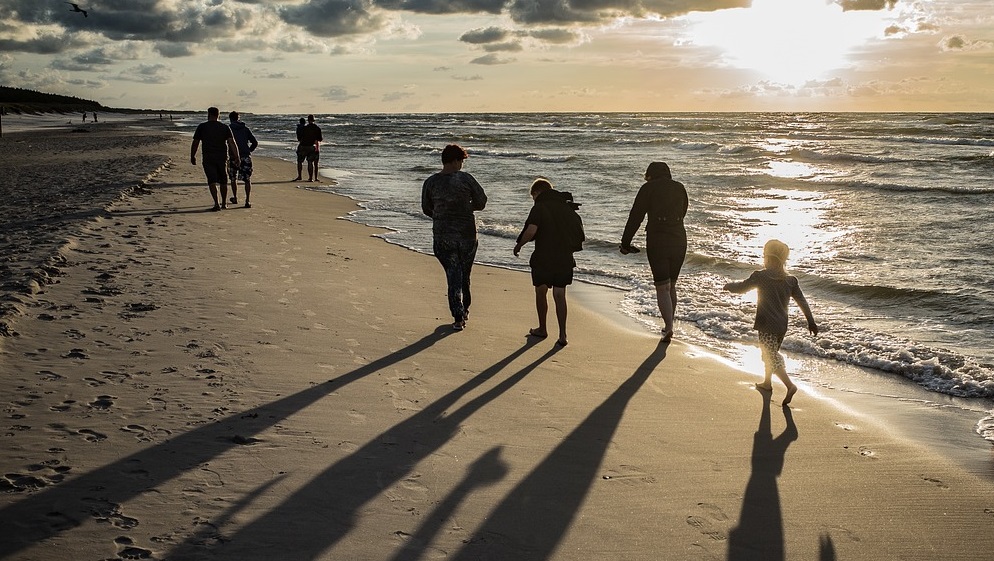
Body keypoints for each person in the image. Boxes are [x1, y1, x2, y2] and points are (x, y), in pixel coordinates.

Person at [723, 239, 818, 405]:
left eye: (764, 256)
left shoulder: (760, 276)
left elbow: (742, 288)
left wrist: (729, 286)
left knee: (770, 355)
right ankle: (767, 383)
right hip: (781, 326)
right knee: (771, 353)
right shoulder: (791, 280)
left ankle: (790, 385)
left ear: (768, 258)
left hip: (766, 325)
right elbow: (802, 301)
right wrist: (811, 321)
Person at [619, 161, 688, 342]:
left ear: (650, 175)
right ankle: (669, 325)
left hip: (658, 240)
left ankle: (669, 327)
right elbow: (684, 211)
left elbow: (636, 216)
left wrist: (625, 242)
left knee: (662, 286)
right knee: (671, 285)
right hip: (679, 239)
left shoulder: (648, 188)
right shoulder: (679, 187)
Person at [421, 144, 488, 331]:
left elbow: (426, 208)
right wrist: (466, 207)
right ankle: (464, 309)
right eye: (461, 161)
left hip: (443, 235)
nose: (461, 165)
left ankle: (458, 316)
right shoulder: (466, 179)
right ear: (455, 161)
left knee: (453, 274)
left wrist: (441, 213)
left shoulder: (431, 182)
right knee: (464, 274)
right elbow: (482, 201)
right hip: (467, 235)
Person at [513, 178, 578, 347]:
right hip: (564, 257)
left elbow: (531, 230)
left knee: (541, 291)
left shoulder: (539, 206)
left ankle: (542, 328)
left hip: (544, 257)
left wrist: (519, 245)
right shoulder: (566, 206)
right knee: (560, 295)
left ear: (537, 192)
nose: (533, 199)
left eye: (533, 196)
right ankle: (563, 335)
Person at [190, 107, 239, 211]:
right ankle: (224, 203)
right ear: (218, 115)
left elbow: (195, 142)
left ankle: (216, 203)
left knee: (212, 180)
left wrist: (192, 155)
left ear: (208, 114)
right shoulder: (224, 127)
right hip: (222, 157)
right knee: (223, 180)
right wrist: (237, 156)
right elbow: (231, 142)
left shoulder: (202, 127)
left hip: (208, 157)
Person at [227, 111, 259, 208]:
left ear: (230, 119)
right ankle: (247, 200)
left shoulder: (229, 129)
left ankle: (235, 197)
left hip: (233, 156)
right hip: (245, 156)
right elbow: (255, 142)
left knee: (233, 178)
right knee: (247, 179)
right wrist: (249, 150)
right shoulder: (245, 129)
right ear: (238, 118)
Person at [295, 114, 323, 182]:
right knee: (310, 162)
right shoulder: (317, 128)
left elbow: (299, 138)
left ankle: (299, 176)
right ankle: (310, 178)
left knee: (299, 161)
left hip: (303, 146)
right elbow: (320, 139)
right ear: (314, 120)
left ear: (308, 120)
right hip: (311, 146)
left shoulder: (304, 128)